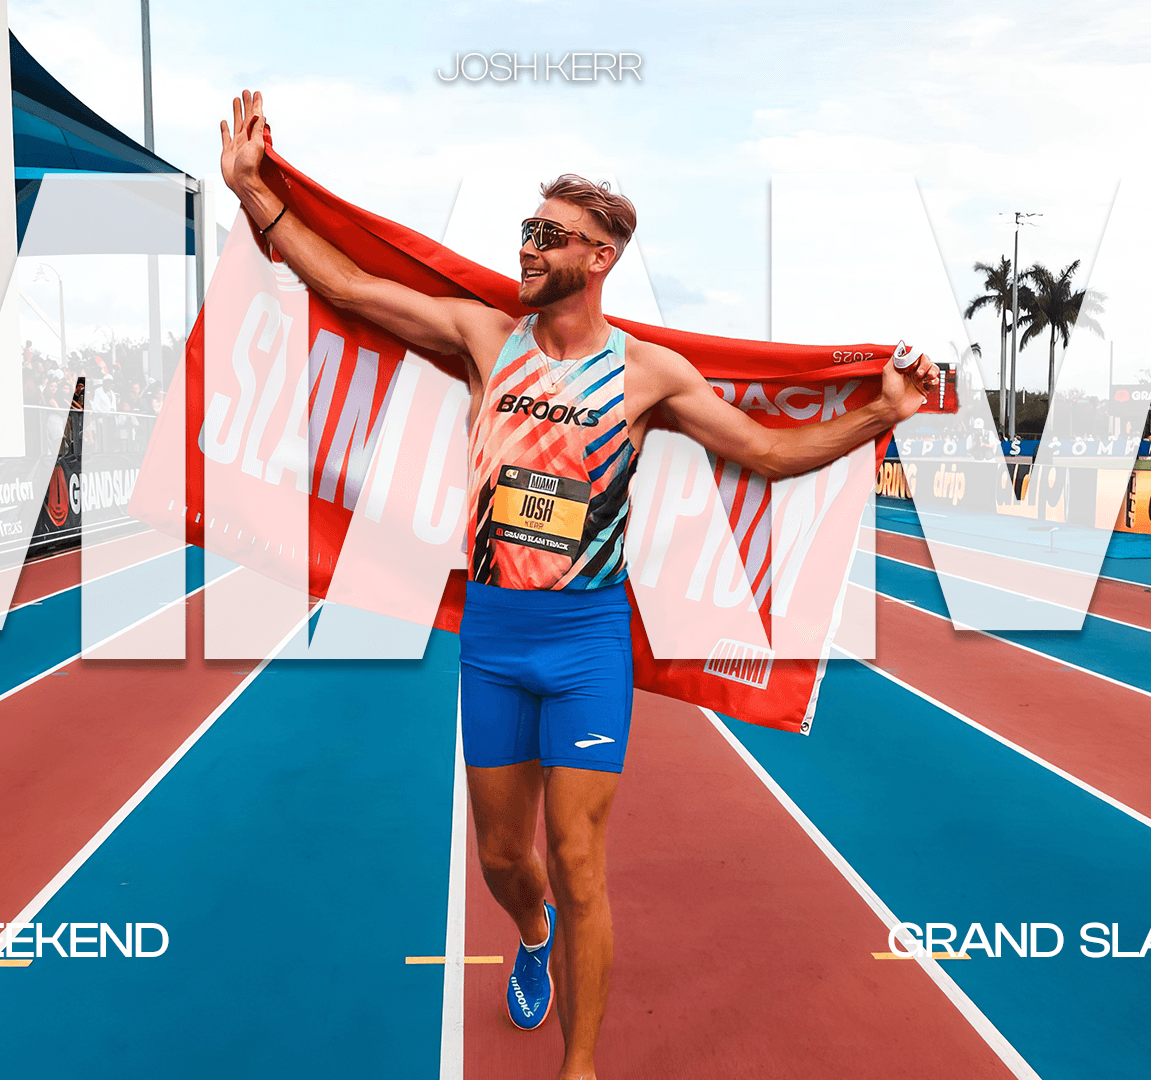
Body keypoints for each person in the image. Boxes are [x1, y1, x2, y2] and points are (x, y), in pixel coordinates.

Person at [218, 90, 940, 1080]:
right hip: (497, 638)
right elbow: (346, 288)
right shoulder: (483, 339)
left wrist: (880, 414)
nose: (526, 249)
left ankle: (581, 1065)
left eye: (547, 236)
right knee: (506, 862)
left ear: (597, 259)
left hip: (588, 637)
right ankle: (531, 933)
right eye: (525, 230)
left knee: (581, 858)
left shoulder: (648, 377)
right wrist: (258, 194)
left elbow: (769, 454)